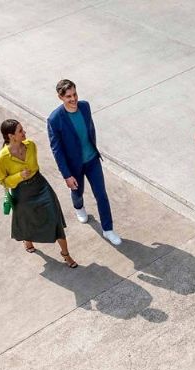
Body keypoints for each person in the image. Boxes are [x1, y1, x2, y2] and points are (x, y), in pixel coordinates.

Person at [46, 79, 121, 246]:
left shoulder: (85, 107)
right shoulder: (55, 119)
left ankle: (108, 229)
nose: (73, 99)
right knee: (77, 192)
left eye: (75, 94)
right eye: (68, 96)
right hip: (74, 166)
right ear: (60, 97)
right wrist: (66, 175)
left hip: (92, 160)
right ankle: (78, 207)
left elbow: (89, 130)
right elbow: (57, 150)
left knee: (101, 195)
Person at [0, 119, 78, 268]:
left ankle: (66, 254)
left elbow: (35, 167)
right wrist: (19, 176)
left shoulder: (31, 145)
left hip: (40, 185)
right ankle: (27, 239)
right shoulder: (1, 158)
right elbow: (3, 181)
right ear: (11, 136)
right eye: (20, 131)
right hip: (22, 192)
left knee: (55, 218)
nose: (24, 132)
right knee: (27, 219)